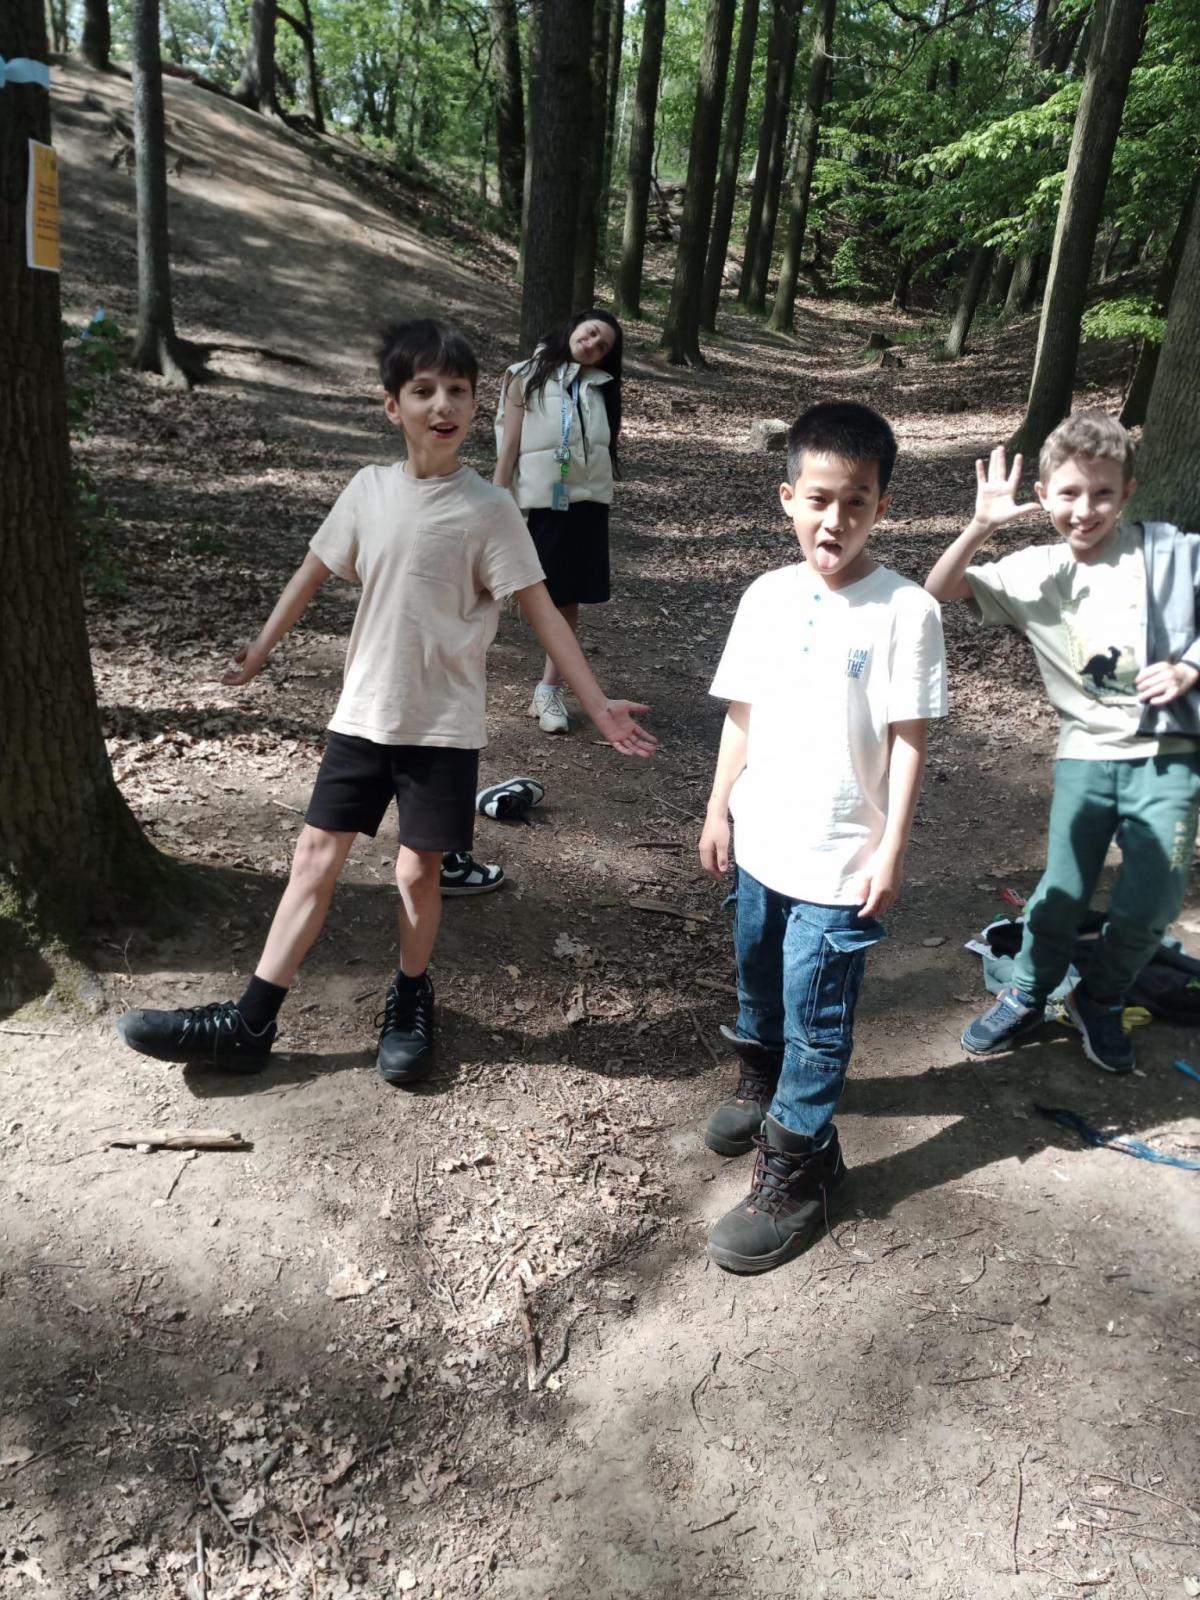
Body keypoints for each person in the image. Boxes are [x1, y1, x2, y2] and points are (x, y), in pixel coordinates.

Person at [116, 320, 656, 1087]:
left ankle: (410, 997)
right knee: (314, 859)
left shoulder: (490, 508)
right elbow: (312, 571)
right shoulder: (368, 489)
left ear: (476, 405)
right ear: (392, 405)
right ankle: (250, 1022)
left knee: (416, 873)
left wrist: (597, 707)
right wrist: (262, 649)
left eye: (458, 391)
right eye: (423, 391)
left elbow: (541, 610)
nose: (443, 405)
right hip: (363, 716)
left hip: (443, 728)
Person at [699, 402, 947, 1275]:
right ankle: (761, 1085)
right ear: (788, 499)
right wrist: (718, 808)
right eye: (818, 499)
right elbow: (742, 712)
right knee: (758, 981)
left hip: (842, 861)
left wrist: (892, 848)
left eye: (856, 502)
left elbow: (910, 740)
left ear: (881, 507)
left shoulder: (906, 610)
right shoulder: (766, 597)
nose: (834, 520)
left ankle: (798, 1168)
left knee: (818, 1018)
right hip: (762, 843)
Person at [925, 411, 1200, 1075]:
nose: (1085, 509)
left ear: (1128, 492)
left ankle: (1098, 997)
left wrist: (1190, 665)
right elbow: (939, 590)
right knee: (1061, 892)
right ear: (1044, 495)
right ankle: (1028, 991)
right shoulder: (1033, 571)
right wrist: (980, 526)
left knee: (1154, 899)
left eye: (1102, 493)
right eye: (1070, 493)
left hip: (1167, 755)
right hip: (1085, 754)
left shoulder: (1168, 554)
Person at [494, 309, 622, 736]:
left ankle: (548, 690)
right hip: (542, 504)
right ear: (575, 326)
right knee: (535, 595)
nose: (592, 345)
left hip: (587, 505)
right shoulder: (523, 375)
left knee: (567, 600)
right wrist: (496, 499)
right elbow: (509, 444)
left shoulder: (599, 385)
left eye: (603, 346)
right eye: (591, 333)